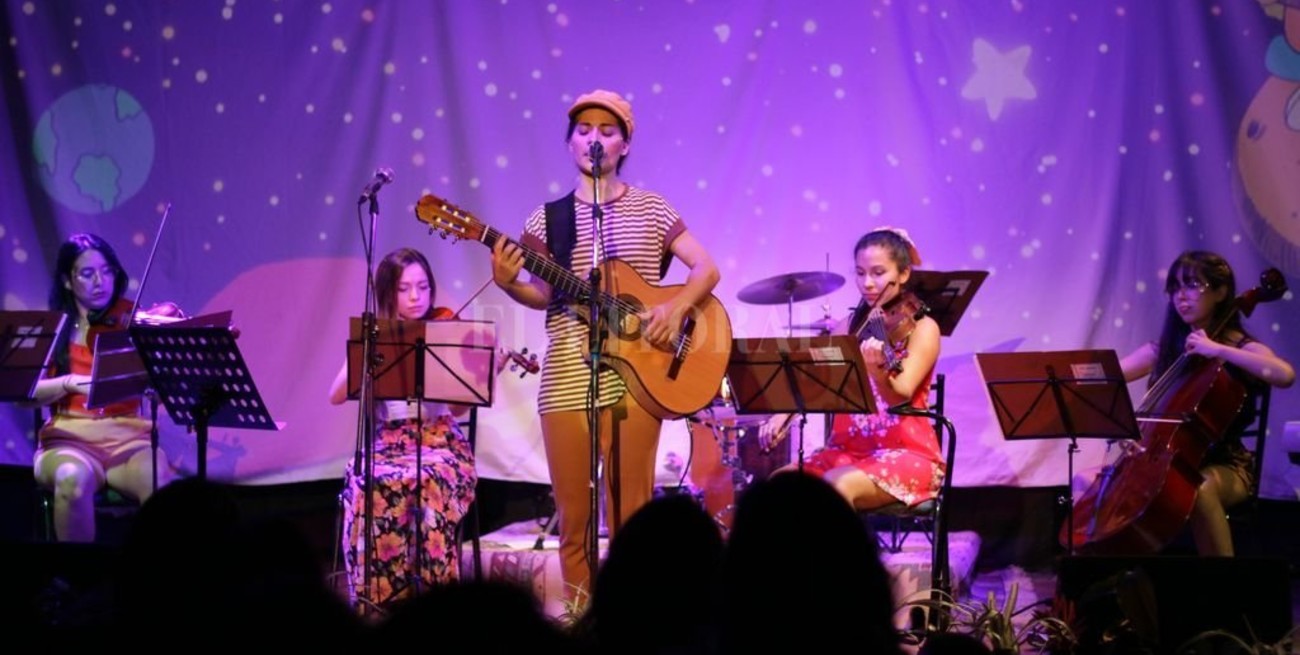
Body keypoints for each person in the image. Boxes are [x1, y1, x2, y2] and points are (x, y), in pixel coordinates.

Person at [489, 88, 721, 603]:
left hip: (637, 379)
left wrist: (676, 308)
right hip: (567, 373)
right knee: (573, 518)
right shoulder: (546, 219)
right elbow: (543, 294)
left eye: (607, 131)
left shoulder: (652, 208)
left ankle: (631, 619)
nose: (594, 138)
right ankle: (579, 617)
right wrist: (509, 284)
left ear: (624, 145)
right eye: (583, 129)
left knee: (630, 516)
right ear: (570, 143)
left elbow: (706, 268)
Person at [328, 247, 478, 607]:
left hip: (441, 442)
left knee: (427, 480)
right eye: (404, 288)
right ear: (387, 293)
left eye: (423, 287)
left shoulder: (444, 330)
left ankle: (435, 600)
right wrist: (369, 347)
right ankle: (376, 599)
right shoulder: (376, 336)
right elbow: (335, 395)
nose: (416, 297)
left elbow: (458, 409)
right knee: (363, 481)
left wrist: (474, 376)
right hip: (390, 443)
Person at [1117, 250, 1294, 556]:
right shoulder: (1165, 351)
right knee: (1085, 481)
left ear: (1221, 292)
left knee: (1201, 488)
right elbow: (1110, 376)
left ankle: (1220, 581)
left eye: (1192, 285)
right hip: (1165, 464)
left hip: (1227, 465)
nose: (1181, 296)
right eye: (1175, 287)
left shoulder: (1238, 346)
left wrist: (1218, 350)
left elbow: (1284, 375)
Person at [759, 227, 945, 513]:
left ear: (904, 274)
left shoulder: (923, 328)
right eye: (860, 273)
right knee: (780, 483)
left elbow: (901, 394)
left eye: (878, 273)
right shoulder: (847, 327)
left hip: (908, 454)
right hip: (848, 452)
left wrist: (878, 373)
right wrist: (783, 414)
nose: (867, 283)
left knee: (837, 485)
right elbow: (815, 381)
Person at [29, 233, 180, 543]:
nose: (100, 282)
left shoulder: (129, 320)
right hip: (68, 441)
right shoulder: (54, 329)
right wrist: (69, 382)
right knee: (71, 481)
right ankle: (78, 571)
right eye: (87, 273)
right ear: (67, 281)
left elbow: (161, 385)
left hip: (129, 440)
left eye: (107, 271)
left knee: (159, 484)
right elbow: (25, 395)